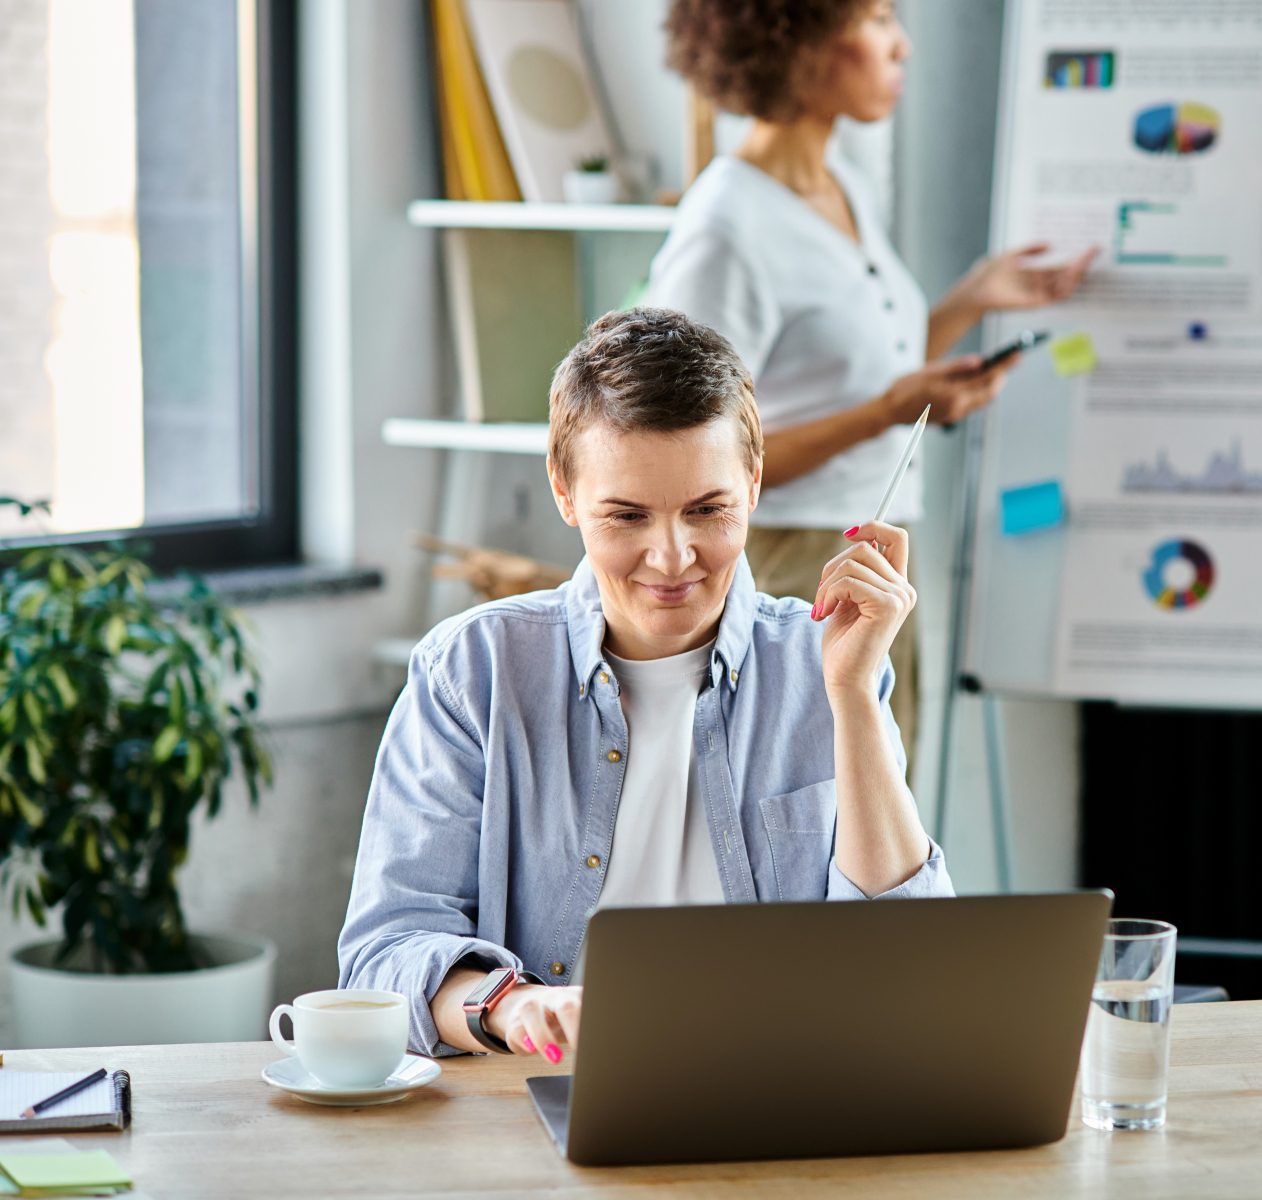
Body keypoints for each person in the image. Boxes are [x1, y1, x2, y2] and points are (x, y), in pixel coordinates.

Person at [338, 308, 951, 1063]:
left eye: (709, 510)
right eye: (627, 516)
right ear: (565, 494)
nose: (672, 558)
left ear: (753, 484)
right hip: (542, 1108)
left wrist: (852, 697)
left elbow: (906, 961)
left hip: (781, 1098)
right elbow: (385, 954)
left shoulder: (822, 659)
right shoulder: (472, 672)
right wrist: (512, 1003)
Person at [649, 0, 1097, 756]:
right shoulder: (726, 228)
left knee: (881, 824)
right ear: (802, 37)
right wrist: (884, 414)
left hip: (873, 551)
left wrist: (974, 297)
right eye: (880, 19)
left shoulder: (843, 187)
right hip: (795, 568)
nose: (904, 47)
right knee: (818, 830)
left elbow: (859, 368)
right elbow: (687, 461)